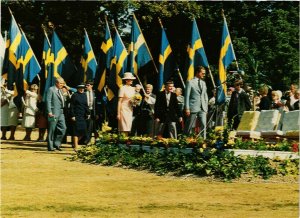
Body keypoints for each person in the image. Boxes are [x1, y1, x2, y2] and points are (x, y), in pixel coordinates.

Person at [184, 66, 208, 139]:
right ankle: (186, 139)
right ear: (197, 72)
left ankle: (202, 141)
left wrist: (206, 107)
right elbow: (187, 96)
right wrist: (187, 108)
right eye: (202, 73)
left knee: (204, 124)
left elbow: (205, 95)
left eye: (204, 73)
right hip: (193, 106)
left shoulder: (203, 83)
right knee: (190, 125)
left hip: (203, 107)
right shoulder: (190, 82)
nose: (204, 75)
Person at [46, 77, 67, 151]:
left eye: (63, 83)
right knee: (51, 130)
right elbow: (48, 101)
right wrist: (49, 112)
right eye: (61, 83)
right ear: (56, 83)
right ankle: (50, 146)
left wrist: (66, 90)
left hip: (61, 112)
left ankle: (56, 143)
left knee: (63, 128)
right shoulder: (51, 89)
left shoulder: (61, 90)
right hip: (53, 112)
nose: (62, 85)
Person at [70, 83, 90, 150]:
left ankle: (74, 143)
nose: (81, 90)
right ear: (77, 89)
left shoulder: (84, 95)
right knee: (76, 131)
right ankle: (76, 146)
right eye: (80, 89)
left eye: (83, 89)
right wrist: (72, 115)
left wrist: (88, 113)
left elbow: (86, 105)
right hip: (76, 115)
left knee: (83, 131)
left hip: (83, 115)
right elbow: (72, 106)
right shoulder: (75, 95)